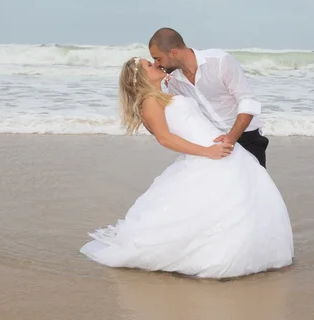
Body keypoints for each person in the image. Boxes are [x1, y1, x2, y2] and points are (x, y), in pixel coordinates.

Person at [79, 56, 294, 279]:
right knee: (224, 206)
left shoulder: (165, 93)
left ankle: (252, 251)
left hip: (222, 152)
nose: (156, 65)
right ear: (142, 76)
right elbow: (165, 138)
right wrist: (207, 151)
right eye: (149, 65)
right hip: (207, 155)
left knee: (242, 201)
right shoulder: (150, 101)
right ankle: (220, 257)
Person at [148, 27, 270, 168]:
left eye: (158, 58)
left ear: (173, 53)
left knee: (255, 188)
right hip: (212, 143)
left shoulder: (220, 61)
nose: (157, 64)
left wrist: (231, 138)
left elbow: (248, 101)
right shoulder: (174, 82)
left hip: (246, 136)